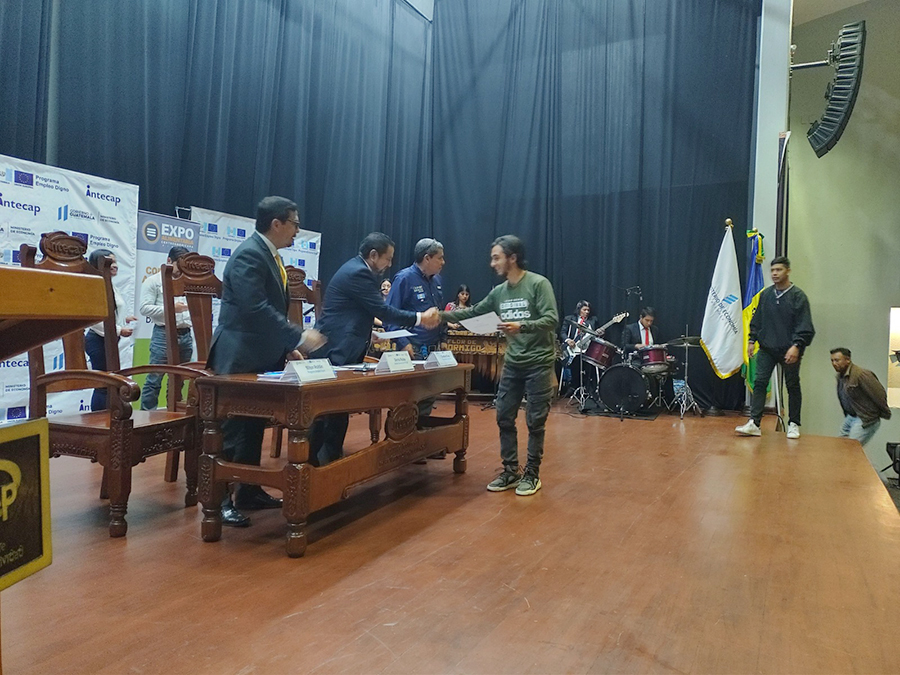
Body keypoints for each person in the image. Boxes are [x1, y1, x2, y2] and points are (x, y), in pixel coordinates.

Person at [206, 196, 325, 527]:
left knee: (253, 425)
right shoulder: (250, 255)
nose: (297, 231)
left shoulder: (268, 254)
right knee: (233, 430)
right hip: (238, 355)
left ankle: (248, 491)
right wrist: (296, 336)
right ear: (277, 223)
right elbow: (254, 309)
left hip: (259, 354)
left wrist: (286, 348)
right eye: (295, 224)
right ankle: (218, 501)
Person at [440, 235, 559, 497]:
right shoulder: (499, 292)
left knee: (535, 421)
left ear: (512, 258)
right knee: (503, 415)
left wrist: (522, 326)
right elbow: (472, 312)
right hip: (513, 364)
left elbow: (551, 319)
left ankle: (532, 474)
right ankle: (511, 471)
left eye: (496, 258)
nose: (492, 263)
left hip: (539, 364)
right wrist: (438, 316)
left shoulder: (538, 284)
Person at [308, 232, 440, 467]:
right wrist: (420, 318)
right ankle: (315, 466)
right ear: (373, 255)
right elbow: (383, 311)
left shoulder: (358, 269)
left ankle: (330, 464)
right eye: (388, 258)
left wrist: (369, 332)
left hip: (343, 347)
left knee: (338, 409)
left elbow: (355, 311)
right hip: (334, 349)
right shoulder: (359, 272)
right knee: (326, 412)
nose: (389, 264)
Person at [736, 256, 815, 439]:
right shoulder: (766, 295)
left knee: (792, 385)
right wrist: (751, 340)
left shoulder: (798, 296)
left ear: (788, 271)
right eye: (772, 270)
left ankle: (794, 424)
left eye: (779, 270)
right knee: (760, 382)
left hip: (790, 349)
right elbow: (757, 320)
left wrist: (796, 346)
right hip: (767, 348)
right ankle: (754, 423)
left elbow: (805, 326)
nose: (774, 273)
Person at [138, 246, 193, 410]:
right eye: (179, 265)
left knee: (179, 379)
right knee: (155, 378)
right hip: (163, 333)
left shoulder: (189, 281)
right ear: (169, 260)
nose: (182, 270)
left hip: (186, 334)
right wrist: (171, 308)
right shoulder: (153, 281)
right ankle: (147, 415)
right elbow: (144, 308)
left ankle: (173, 413)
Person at [84, 249, 136, 411]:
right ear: (97, 265)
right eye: (109, 262)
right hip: (97, 341)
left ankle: (109, 417)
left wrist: (124, 319)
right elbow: (95, 319)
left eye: (115, 261)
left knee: (110, 383)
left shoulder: (110, 284)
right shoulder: (93, 286)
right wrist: (119, 330)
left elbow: (111, 312)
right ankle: (98, 419)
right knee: (103, 385)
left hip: (109, 340)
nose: (114, 265)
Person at [385, 238, 446, 360]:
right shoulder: (404, 278)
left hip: (435, 348)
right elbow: (388, 316)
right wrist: (403, 343)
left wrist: (443, 338)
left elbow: (439, 312)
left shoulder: (437, 280)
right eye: (440, 258)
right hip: (411, 348)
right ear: (427, 258)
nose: (443, 262)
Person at [830, 347, 891, 446]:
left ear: (848, 360)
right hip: (851, 416)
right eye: (832, 360)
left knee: (851, 448)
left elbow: (879, 394)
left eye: (837, 360)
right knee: (841, 446)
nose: (834, 363)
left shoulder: (861, 374)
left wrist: (884, 412)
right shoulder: (840, 376)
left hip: (865, 418)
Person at [559, 300, 600, 394]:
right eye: (584, 310)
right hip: (572, 348)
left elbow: (597, 334)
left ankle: (588, 388)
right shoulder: (569, 319)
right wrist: (568, 340)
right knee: (576, 362)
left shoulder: (593, 320)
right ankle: (574, 386)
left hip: (588, 349)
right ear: (578, 310)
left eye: (588, 310)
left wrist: (600, 333)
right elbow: (563, 333)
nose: (587, 312)